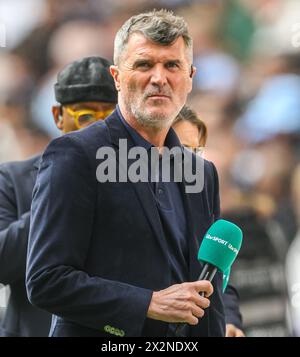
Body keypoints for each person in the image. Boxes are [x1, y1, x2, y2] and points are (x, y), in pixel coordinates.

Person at [27, 10, 233, 337]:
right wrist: (147, 303)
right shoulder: (75, 155)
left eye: (172, 65)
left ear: (190, 76)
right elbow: (46, 280)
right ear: (116, 76)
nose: (159, 78)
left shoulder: (201, 172)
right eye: (143, 64)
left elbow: (208, 284)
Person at [0, 56, 117, 337]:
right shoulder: (14, 179)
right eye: (86, 116)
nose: (99, 130)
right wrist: (62, 193)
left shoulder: (143, 180)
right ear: (58, 117)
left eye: (111, 118)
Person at [173, 105, 245, 337]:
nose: (192, 163)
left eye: (197, 152)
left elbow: (218, 276)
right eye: (183, 150)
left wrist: (230, 320)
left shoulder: (203, 202)